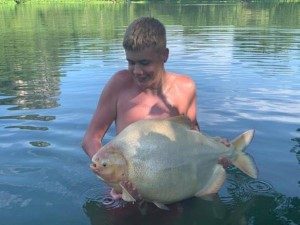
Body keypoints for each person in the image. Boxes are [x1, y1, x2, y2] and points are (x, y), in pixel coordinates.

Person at [82, 17, 228, 200]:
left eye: (144, 63)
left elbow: (193, 135)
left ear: (164, 55)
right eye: (131, 62)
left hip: (172, 186)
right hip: (123, 190)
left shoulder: (185, 88)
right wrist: (108, 171)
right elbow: (90, 138)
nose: (136, 71)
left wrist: (216, 152)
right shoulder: (119, 85)